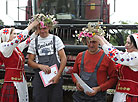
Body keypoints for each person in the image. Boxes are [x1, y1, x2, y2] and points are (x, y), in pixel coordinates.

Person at [71, 22, 118, 102]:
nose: (91, 45)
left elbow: (114, 78)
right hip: (80, 96)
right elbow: (74, 73)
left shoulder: (107, 57)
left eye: (94, 42)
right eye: (89, 42)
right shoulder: (80, 56)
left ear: (99, 41)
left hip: (98, 97)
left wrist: (99, 88)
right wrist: (76, 83)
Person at [27, 14, 67, 102]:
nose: (42, 31)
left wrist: (58, 75)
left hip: (55, 77)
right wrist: (40, 66)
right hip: (40, 78)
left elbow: (63, 58)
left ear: (49, 27)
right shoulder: (34, 42)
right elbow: (30, 62)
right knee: (39, 99)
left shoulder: (56, 39)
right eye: (39, 28)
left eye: (44, 28)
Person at [0, 16, 40, 102]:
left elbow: (27, 41)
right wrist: (31, 25)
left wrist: (37, 32)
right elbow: (20, 38)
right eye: (13, 34)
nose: (16, 36)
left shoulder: (15, 48)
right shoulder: (4, 47)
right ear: (6, 36)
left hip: (20, 81)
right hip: (12, 82)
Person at [93, 32, 138, 102]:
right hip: (123, 94)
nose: (126, 45)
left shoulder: (136, 56)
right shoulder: (131, 54)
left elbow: (116, 56)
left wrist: (100, 40)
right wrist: (102, 38)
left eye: (129, 43)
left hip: (129, 96)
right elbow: (114, 50)